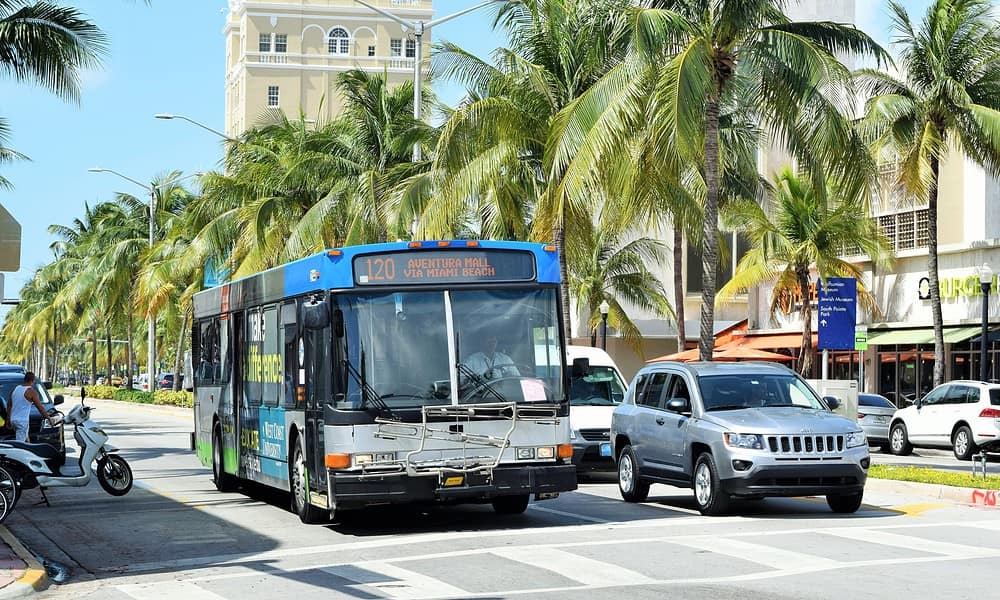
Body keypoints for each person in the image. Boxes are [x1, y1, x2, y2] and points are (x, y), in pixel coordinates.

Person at [6, 372, 57, 442]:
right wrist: (49, 418)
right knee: (20, 444)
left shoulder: (16, 389)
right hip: (22, 422)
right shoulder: (31, 392)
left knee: (26, 439)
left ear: (24, 380)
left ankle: (29, 450)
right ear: (32, 381)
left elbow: (9, 405)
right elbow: (40, 408)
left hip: (13, 420)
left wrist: (8, 418)